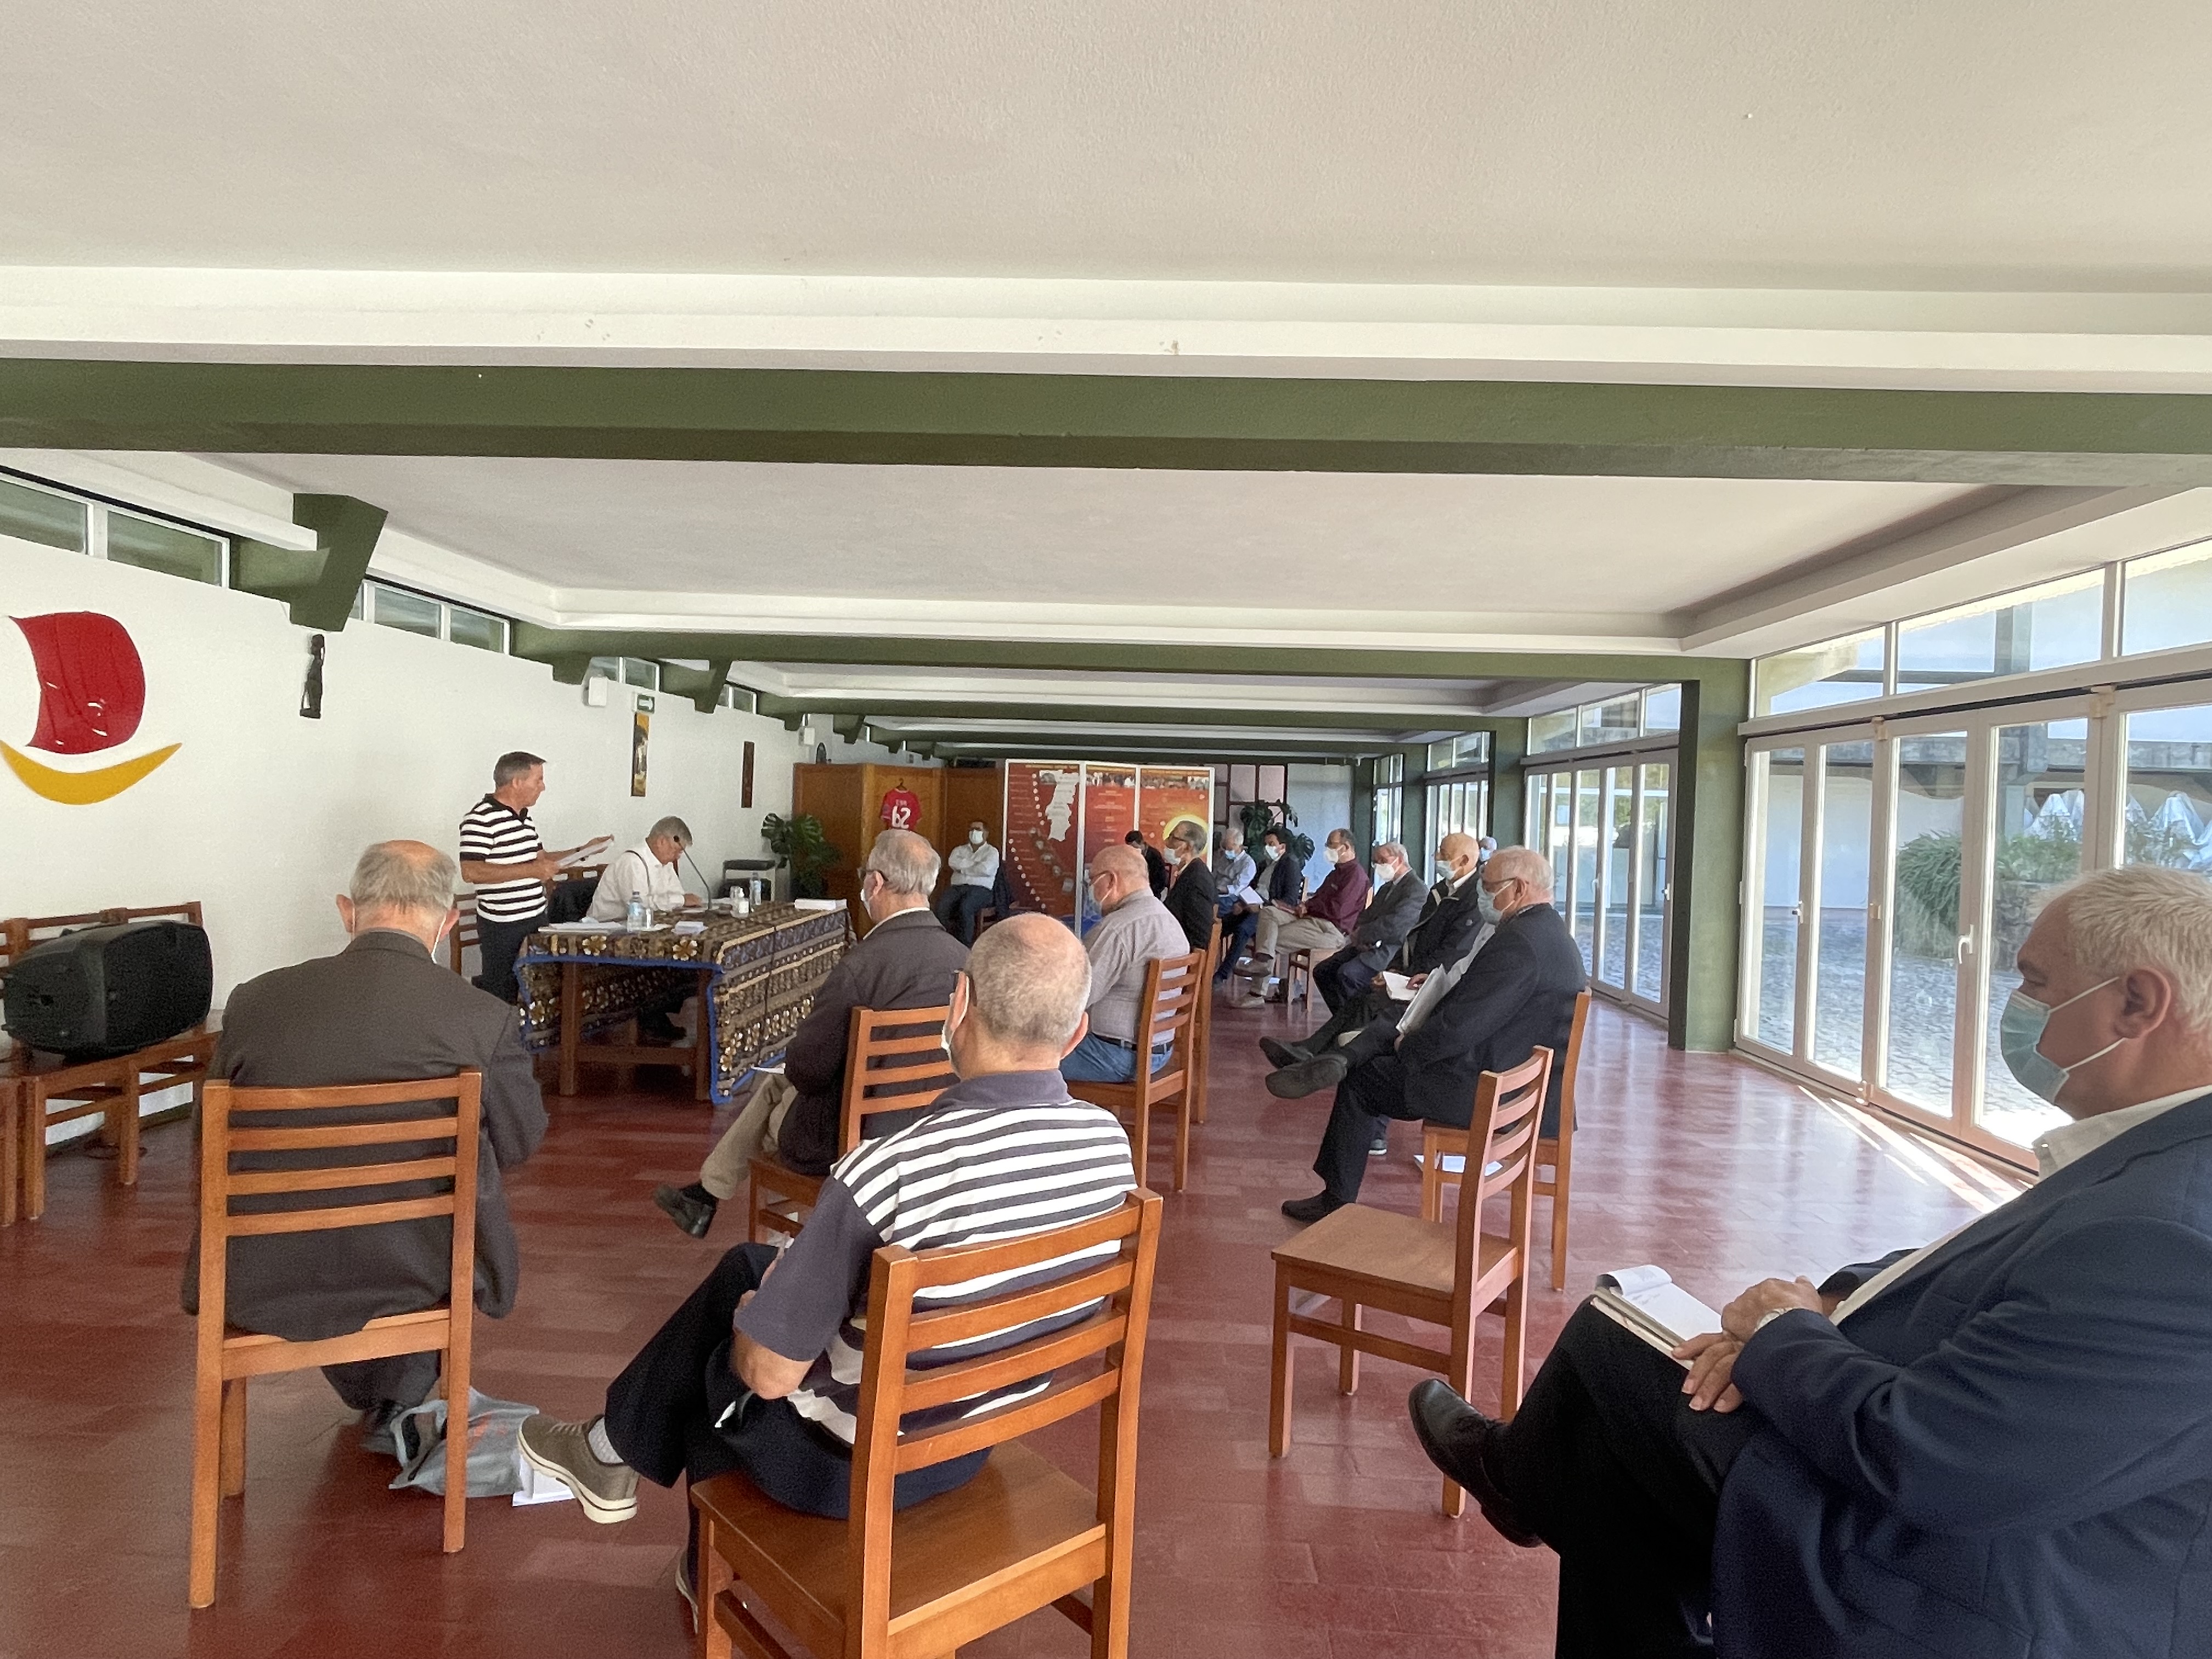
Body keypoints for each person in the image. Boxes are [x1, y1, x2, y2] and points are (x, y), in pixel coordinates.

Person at [1407, 864, 2212, 1659]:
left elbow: (1935, 1462)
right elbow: (2004, 1276)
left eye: (2035, 982)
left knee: (1609, 1345)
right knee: (1605, 1452)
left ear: (2137, 1004)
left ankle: (1520, 1478)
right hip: (1925, 1466)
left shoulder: (2173, 1237)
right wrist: (1836, 1300)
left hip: (1948, 1580)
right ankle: (1526, 1480)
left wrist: (1784, 1337)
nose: (2016, 1005)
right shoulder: (2157, 1161)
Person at [517, 916, 1137, 1564]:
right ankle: (608, 1454)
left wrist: (750, 1323)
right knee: (747, 1265)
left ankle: (690, 1554)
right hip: (969, 1438)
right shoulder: (1108, 1147)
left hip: (845, 1465)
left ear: (958, 1003)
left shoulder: (888, 1171)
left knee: (722, 1363)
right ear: (1077, 1032)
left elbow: (768, 1376)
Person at [183, 841, 548, 1440]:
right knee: (434, 1215)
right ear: (449, 921)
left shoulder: (256, 1001)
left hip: (263, 1269)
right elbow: (520, 1141)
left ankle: (388, 1398)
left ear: (347, 911)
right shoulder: (481, 1017)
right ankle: (396, 1397)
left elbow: (208, 1141)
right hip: (415, 1271)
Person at [652, 830, 966, 1238]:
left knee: (780, 1084)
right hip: (936, 1132)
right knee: (780, 1085)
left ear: (875, 883)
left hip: (854, 1139)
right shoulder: (967, 960)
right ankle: (706, 1194)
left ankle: (764, 1234)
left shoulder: (861, 966)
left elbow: (808, 1070)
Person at [1277, 847, 1584, 1221]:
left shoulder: (1519, 942)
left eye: (1489, 888)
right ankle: (1339, 1058)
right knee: (1389, 1041)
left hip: (1494, 1093)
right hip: (1524, 1086)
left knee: (1363, 1081)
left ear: (1519, 889)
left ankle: (1335, 1200)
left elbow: (1460, 1027)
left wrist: (1410, 1046)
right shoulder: (1550, 933)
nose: (1483, 896)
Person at [1259, 831, 1488, 1071]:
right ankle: (1314, 1047)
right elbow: (1409, 933)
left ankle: (1325, 1053)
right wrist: (1386, 959)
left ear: (1464, 861)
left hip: (1422, 972)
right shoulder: (1441, 889)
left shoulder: (1462, 897)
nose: (1436, 857)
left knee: (1361, 989)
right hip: (1397, 958)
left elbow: (1443, 948)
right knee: (1337, 979)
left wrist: (1404, 972)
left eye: (1443, 853)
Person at [458, 751, 607, 1003]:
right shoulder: (480, 819)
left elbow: (541, 859)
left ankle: (528, 1030)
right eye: (538, 780)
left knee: (536, 987)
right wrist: (531, 871)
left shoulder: (525, 818)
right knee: (502, 991)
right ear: (517, 782)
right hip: (503, 925)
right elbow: (471, 871)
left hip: (535, 916)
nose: (543, 787)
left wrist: (583, 851)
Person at [1060, 844, 1191, 1084]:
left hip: (1114, 1056)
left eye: (1092, 881)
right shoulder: (1168, 920)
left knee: (1011, 1057)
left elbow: (1075, 998)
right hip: (1158, 1052)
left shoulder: (1119, 928)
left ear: (1111, 881)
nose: (1091, 890)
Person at [1249, 828, 1369, 998]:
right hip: (1312, 920)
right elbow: (1319, 898)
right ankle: (1260, 970)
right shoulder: (1336, 873)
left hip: (1330, 930)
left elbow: (1338, 911)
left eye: (1332, 845)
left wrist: (1309, 908)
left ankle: (1256, 994)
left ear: (1347, 847)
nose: (1328, 848)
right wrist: (1305, 906)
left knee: (1269, 939)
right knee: (1269, 913)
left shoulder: (1356, 876)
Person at [1313, 840, 1428, 1012]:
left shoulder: (1417, 890)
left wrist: (1362, 935)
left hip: (1392, 950)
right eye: (1376, 862)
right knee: (1323, 971)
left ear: (1399, 859)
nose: (1379, 865)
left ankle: (1355, 1019)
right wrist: (1357, 933)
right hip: (1369, 944)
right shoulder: (1387, 888)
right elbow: (1368, 914)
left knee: (1348, 975)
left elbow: (1395, 926)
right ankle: (1342, 1019)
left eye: (1383, 860)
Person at [1222, 826, 1306, 984]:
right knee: (1223, 924)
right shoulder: (1264, 864)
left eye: (1272, 844)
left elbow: (1289, 900)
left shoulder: (1290, 865)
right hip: (1251, 906)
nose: (1267, 848)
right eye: (1266, 844)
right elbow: (1252, 888)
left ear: (1282, 847)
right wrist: (1242, 903)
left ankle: (1222, 975)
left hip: (1270, 912)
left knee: (1242, 930)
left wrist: (1262, 907)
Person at [586, 816, 701, 923]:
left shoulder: (666, 864)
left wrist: (682, 900)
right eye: (677, 851)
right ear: (662, 842)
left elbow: (677, 895)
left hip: (642, 925)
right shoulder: (632, 861)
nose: (678, 857)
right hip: (605, 928)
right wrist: (680, 900)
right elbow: (639, 906)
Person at [934, 820, 1000, 944]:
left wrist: (962, 869)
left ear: (986, 833)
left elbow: (986, 869)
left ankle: (964, 944)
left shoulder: (992, 852)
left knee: (966, 907)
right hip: (957, 888)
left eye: (978, 829)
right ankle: (944, 941)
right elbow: (952, 863)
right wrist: (975, 866)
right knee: (941, 906)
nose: (974, 832)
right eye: (971, 829)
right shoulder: (959, 850)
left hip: (981, 890)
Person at [1161, 822, 1220, 952]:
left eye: (1173, 838)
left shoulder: (1197, 880)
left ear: (1188, 847)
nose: (1166, 842)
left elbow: (1200, 940)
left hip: (1179, 954)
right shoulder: (1190, 872)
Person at [1124, 828, 1170, 897]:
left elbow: (1160, 880)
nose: (1133, 850)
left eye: (1135, 847)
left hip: (1152, 891)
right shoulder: (1131, 855)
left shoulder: (1155, 856)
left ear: (1142, 843)